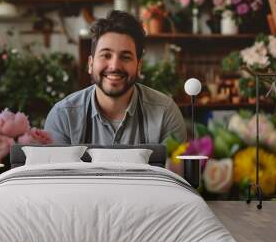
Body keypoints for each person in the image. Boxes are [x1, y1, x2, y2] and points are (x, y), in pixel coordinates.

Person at [44, 10, 187, 145]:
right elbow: (57, 171)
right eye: (106, 55)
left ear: (138, 66)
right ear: (90, 64)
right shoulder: (63, 116)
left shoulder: (165, 114)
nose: (114, 66)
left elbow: (174, 171)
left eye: (125, 57)